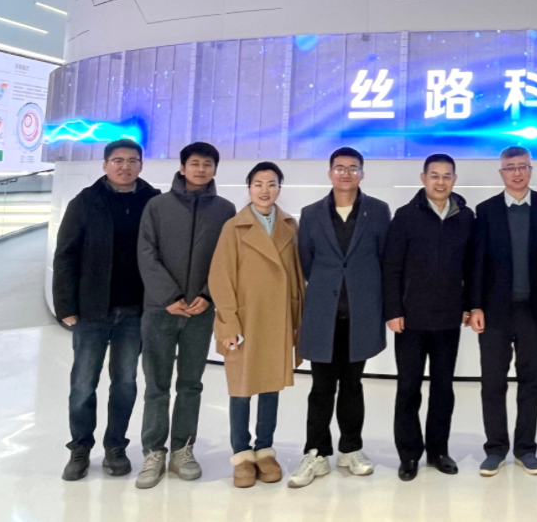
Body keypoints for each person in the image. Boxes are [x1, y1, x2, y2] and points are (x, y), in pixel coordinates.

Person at [53, 139, 160, 481]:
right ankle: (80, 447)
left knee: (125, 383)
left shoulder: (153, 202)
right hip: (91, 310)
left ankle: (115, 446)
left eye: (132, 160)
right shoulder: (85, 202)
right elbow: (65, 255)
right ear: (105, 165)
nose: (125, 166)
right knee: (83, 384)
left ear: (141, 165)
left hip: (135, 311)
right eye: (117, 160)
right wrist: (65, 305)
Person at [135, 142, 236, 488]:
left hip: (201, 312)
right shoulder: (157, 206)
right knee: (157, 385)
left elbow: (226, 259)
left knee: (191, 384)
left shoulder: (225, 210)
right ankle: (154, 451)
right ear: (182, 167)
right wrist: (169, 296)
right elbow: (146, 253)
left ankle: (182, 449)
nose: (201, 169)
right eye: (195, 163)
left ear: (215, 169)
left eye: (207, 164)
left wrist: (208, 295)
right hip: (159, 309)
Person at [289, 147, 391, 489]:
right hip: (323, 314)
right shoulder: (311, 213)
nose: (346, 173)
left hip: (361, 314)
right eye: (340, 168)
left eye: (352, 168)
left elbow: (384, 258)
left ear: (362, 173)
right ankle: (316, 452)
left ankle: (351, 449)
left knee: (352, 385)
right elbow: (306, 261)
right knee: (321, 387)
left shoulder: (378, 211)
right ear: (330, 172)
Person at [209, 162, 305, 488]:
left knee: (270, 386)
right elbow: (220, 278)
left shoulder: (290, 226)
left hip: (278, 318)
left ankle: (265, 450)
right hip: (245, 320)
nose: (265, 190)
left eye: (272, 184)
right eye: (258, 184)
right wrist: (228, 322)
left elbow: (297, 276)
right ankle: (241, 454)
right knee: (240, 388)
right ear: (249, 188)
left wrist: (297, 320)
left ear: (280, 188)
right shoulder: (233, 227)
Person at [383, 153, 476, 481]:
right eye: (434, 175)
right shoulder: (406, 216)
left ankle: (438, 451)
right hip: (410, 319)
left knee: (443, 388)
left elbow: (472, 266)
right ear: (423, 178)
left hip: (449, 318)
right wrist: (393, 310)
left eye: (447, 176)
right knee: (408, 388)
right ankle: (409, 454)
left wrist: (470, 304)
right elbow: (391, 267)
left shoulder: (466, 217)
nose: (440, 181)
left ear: (454, 179)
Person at [468, 146, 537, 477]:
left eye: (523, 167)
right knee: (493, 382)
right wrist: (475, 305)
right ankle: (495, 448)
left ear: (531, 170)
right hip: (495, 312)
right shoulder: (486, 210)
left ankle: (525, 448)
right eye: (510, 168)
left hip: (534, 311)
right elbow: (477, 262)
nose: (517, 173)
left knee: (531, 381)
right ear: (501, 173)